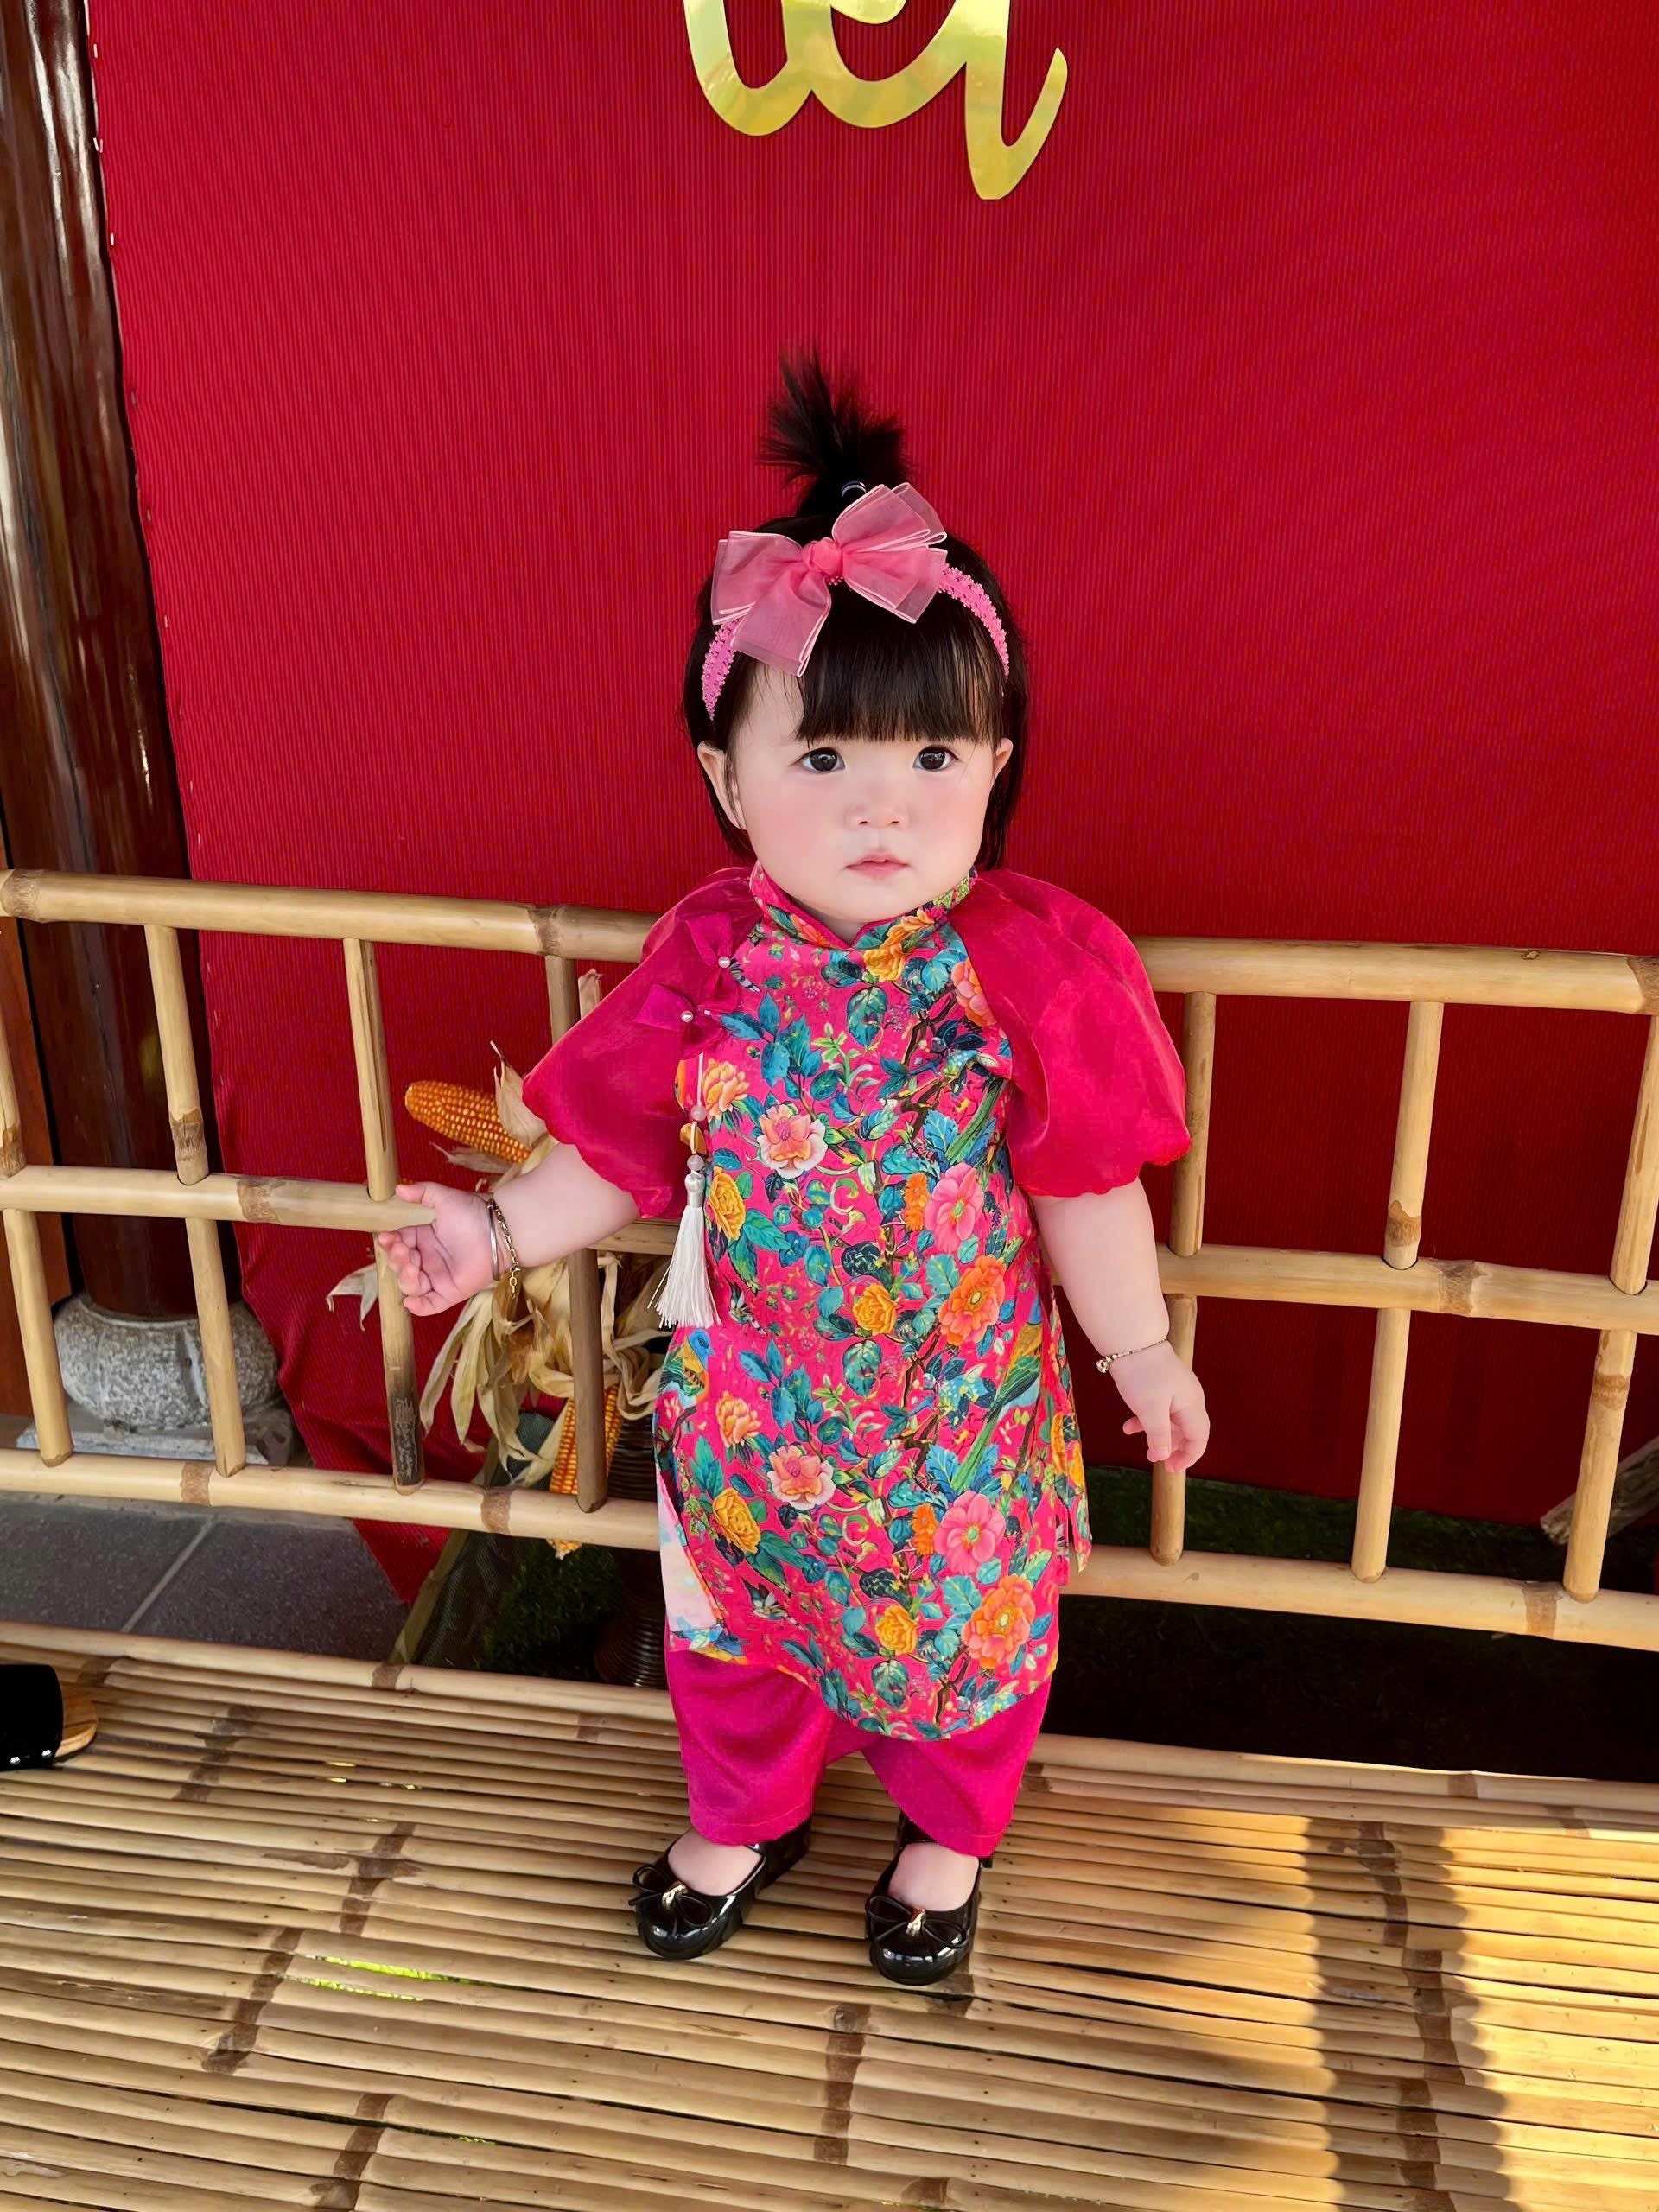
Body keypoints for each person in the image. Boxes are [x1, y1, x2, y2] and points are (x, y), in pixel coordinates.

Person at [378, 351, 1209, 1986]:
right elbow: (618, 1149)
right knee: (735, 1635)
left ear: (997, 765)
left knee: (970, 1648)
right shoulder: (706, 959)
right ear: (727, 780)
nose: (881, 807)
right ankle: (745, 1814)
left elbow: (1085, 1185)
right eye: (823, 762)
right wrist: (495, 1234)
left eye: (932, 761)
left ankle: (951, 1835)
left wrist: (1141, 1349)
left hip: (960, 1425)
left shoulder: (1025, 969)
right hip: (756, 1416)